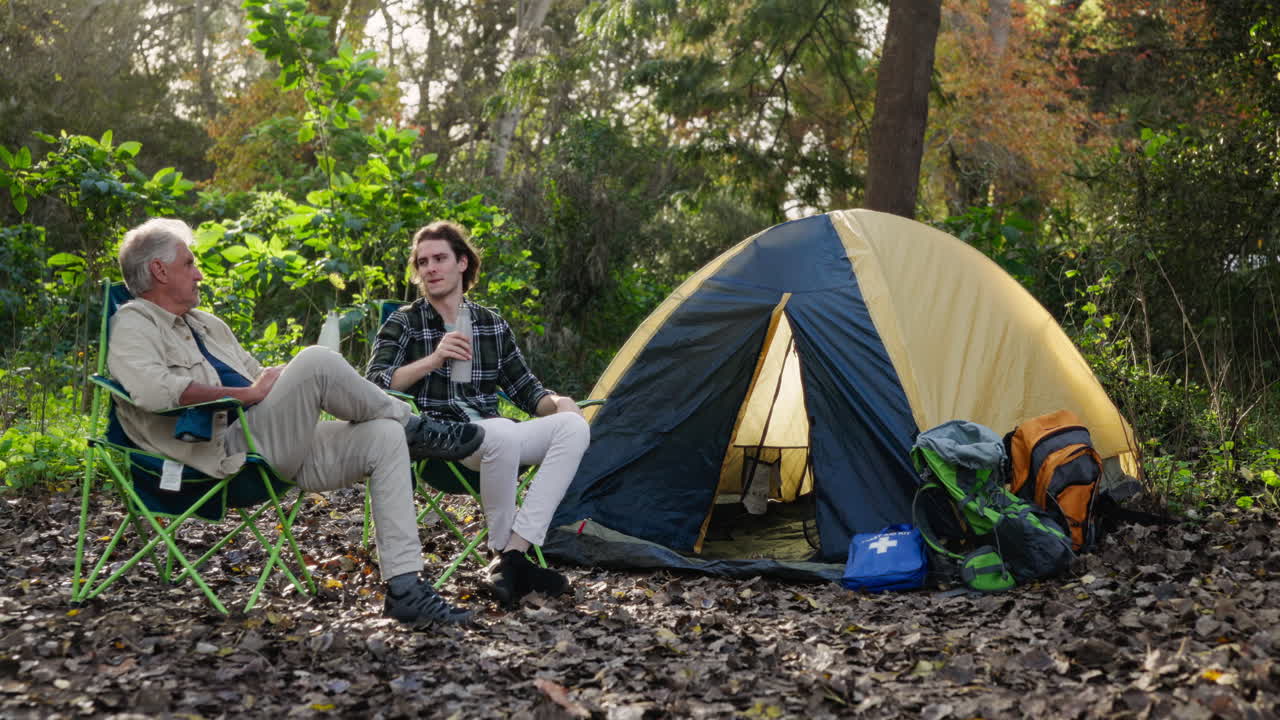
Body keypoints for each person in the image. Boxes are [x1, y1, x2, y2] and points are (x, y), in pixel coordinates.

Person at [107, 217, 484, 629]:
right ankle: (419, 429)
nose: (198, 274)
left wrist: (286, 379)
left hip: (267, 442)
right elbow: (152, 390)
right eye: (189, 264)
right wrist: (252, 393)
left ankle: (405, 589)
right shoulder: (134, 322)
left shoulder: (208, 325)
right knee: (318, 361)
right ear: (159, 271)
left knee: (384, 434)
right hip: (218, 455)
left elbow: (256, 377)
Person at [366, 221, 590, 608]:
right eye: (422, 262)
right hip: (443, 440)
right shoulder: (405, 321)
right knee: (500, 431)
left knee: (572, 426)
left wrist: (559, 403)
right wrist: (433, 359)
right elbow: (374, 385)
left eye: (439, 258)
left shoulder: (491, 323)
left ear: (462, 263)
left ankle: (512, 555)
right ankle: (507, 556)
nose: (430, 268)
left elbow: (527, 390)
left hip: (499, 435)